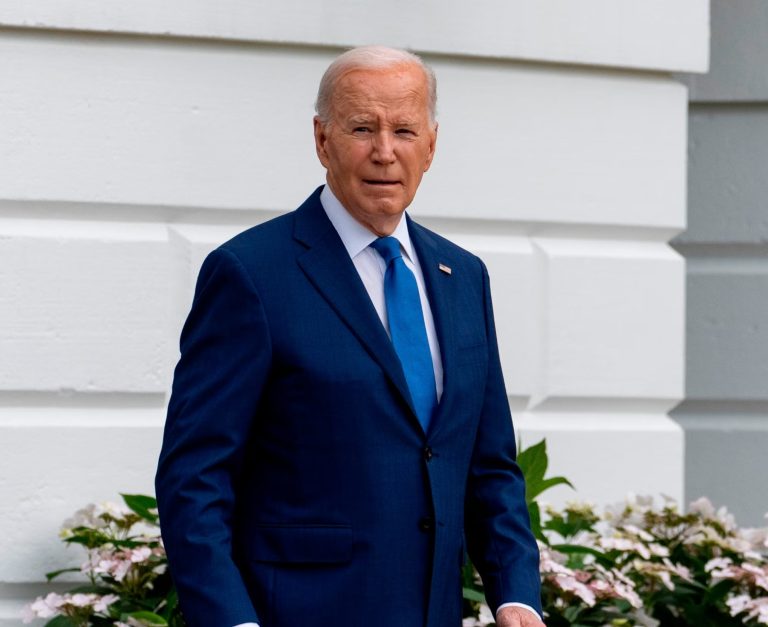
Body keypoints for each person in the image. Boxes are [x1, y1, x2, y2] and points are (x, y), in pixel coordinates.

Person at [155, 46, 544, 627]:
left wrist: (516, 595)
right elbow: (194, 477)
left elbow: (489, 467)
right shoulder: (252, 273)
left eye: (405, 130)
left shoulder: (463, 277)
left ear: (431, 145)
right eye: (362, 128)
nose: (385, 152)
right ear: (322, 140)